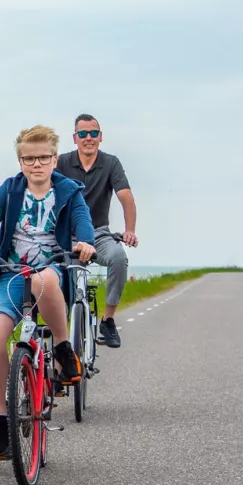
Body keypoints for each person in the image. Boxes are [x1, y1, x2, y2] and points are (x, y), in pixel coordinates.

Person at [0, 126, 96, 460]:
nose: (36, 164)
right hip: (9, 274)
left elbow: (82, 220)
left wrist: (85, 243)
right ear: (20, 160)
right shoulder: (10, 191)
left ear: (54, 158)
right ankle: (0, 422)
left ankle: (65, 350)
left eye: (43, 158)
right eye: (29, 158)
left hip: (51, 270)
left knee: (44, 280)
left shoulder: (69, 190)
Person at [55, 114, 135, 348]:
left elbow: (125, 196)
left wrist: (130, 230)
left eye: (92, 133)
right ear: (75, 138)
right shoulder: (62, 163)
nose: (88, 138)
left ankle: (108, 320)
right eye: (82, 134)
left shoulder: (111, 163)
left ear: (100, 137)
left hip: (99, 233)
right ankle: (58, 327)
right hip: (66, 236)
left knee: (119, 257)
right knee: (51, 272)